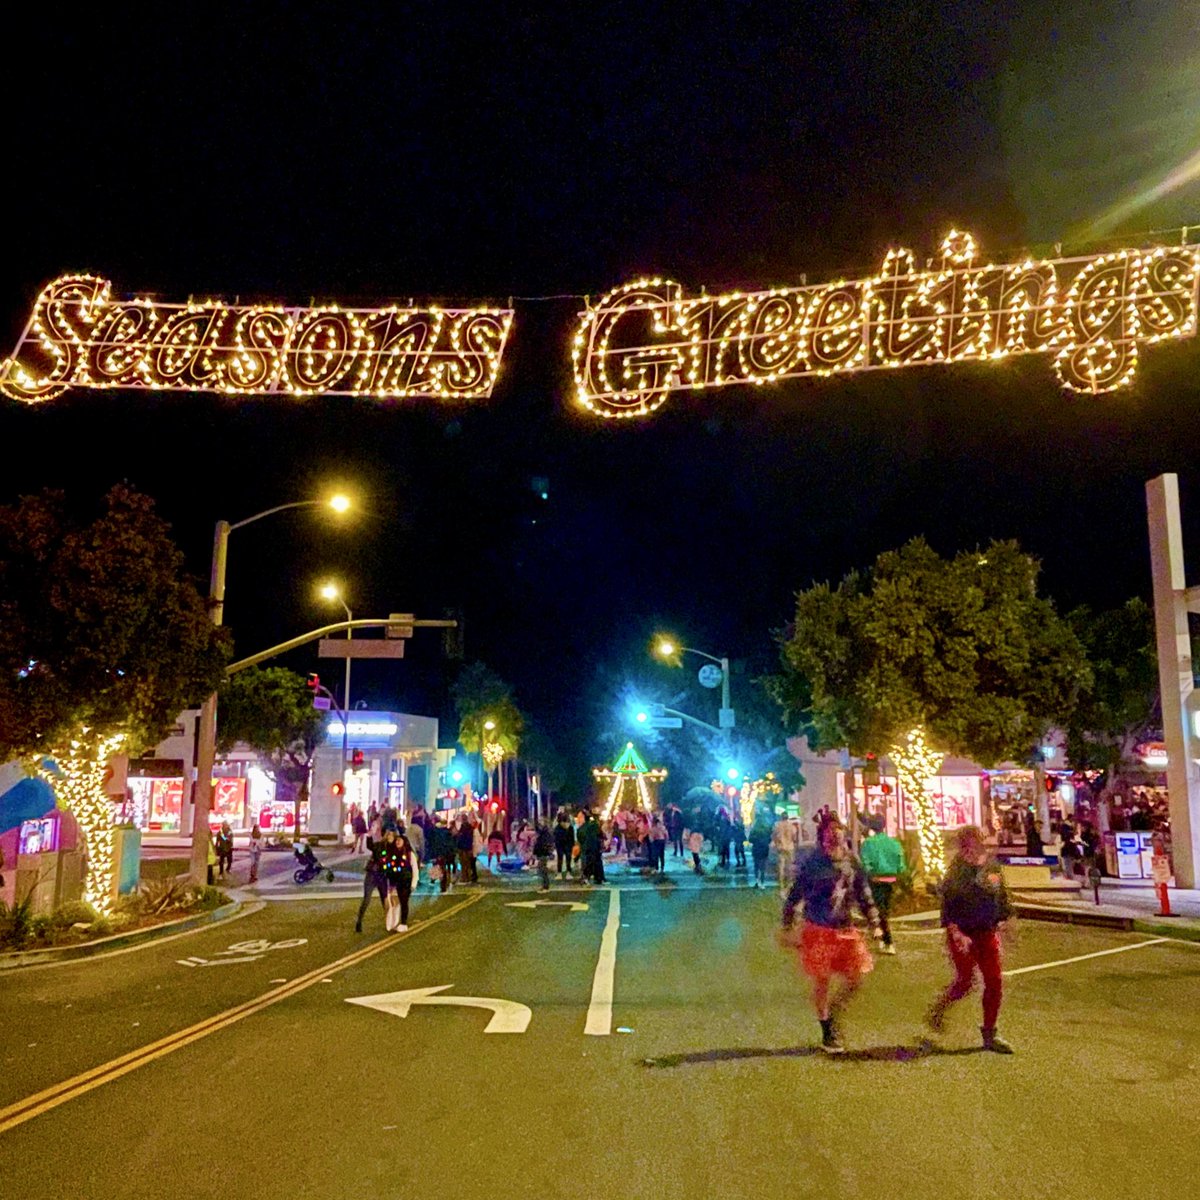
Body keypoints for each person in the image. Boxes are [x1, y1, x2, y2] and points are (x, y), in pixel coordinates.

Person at [781, 814, 881, 1053]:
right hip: (818, 928)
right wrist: (787, 923)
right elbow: (796, 893)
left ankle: (835, 1012)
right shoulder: (814, 862)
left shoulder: (851, 861)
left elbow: (864, 893)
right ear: (823, 834)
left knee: (855, 978)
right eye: (830, 830)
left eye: (838, 829)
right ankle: (827, 1030)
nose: (835, 834)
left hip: (845, 928)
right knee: (822, 981)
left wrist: (875, 923)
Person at [926, 826, 1015, 1054]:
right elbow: (948, 904)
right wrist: (956, 933)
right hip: (963, 934)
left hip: (987, 932)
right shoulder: (957, 870)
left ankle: (990, 1033)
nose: (982, 843)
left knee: (994, 981)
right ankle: (939, 1009)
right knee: (966, 981)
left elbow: (1001, 893)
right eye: (976, 840)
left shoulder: (991, 865)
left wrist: (1006, 918)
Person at [858, 820, 906, 955]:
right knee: (884, 908)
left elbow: (865, 862)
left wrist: (870, 872)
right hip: (891, 879)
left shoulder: (868, 843)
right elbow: (900, 862)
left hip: (876, 879)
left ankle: (887, 940)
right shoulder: (894, 843)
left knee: (879, 909)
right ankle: (881, 936)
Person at [381, 829, 418, 932]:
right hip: (396, 882)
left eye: (400, 840)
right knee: (396, 902)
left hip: (406, 881)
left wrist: (414, 884)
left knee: (404, 901)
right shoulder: (393, 854)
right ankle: (394, 922)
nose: (397, 842)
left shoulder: (410, 854)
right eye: (397, 840)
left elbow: (415, 869)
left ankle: (403, 923)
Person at [355, 830, 389, 933]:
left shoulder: (394, 849)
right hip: (373, 874)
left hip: (382, 875)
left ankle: (389, 921)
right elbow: (371, 846)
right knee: (367, 899)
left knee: (385, 899)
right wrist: (369, 836)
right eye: (389, 835)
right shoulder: (380, 845)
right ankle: (359, 921)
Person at [771, 814, 798, 894]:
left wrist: (776, 844)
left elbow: (774, 836)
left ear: (781, 817)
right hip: (790, 847)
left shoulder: (777, 825)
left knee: (781, 866)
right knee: (790, 865)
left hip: (780, 847)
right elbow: (794, 838)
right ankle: (790, 882)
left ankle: (781, 884)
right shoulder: (792, 826)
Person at [749, 813, 772, 886]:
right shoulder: (767, 829)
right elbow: (769, 839)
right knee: (763, 866)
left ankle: (756, 881)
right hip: (764, 848)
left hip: (756, 848)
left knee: (756, 865)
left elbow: (750, 840)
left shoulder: (754, 829)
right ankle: (762, 882)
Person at [456, 817, 478, 884]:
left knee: (463, 864)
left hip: (462, 848)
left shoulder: (463, 828)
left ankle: (464, 878)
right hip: (468, 848)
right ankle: (468, 877)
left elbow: (460, 838)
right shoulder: (471, 829)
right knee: (468, 863)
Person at [533, 822, 555, 891]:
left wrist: (536, 852)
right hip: (544, 854)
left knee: (542, 870)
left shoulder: (543, 836)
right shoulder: (546, 835)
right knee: (542, 869)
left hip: (543, 854)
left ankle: (545, 885)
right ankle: (545, 885)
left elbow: (540, 845)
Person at [554, 811, 575, 879]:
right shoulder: (558, 828)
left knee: (567, 859)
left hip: (567, 845)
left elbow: (572, 837)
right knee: (560, 859)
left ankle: (567, 872)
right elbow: (556, 838)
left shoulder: (569, 828)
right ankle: (560, 873)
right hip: (561, 845)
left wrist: (572, 845)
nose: (565, 824)